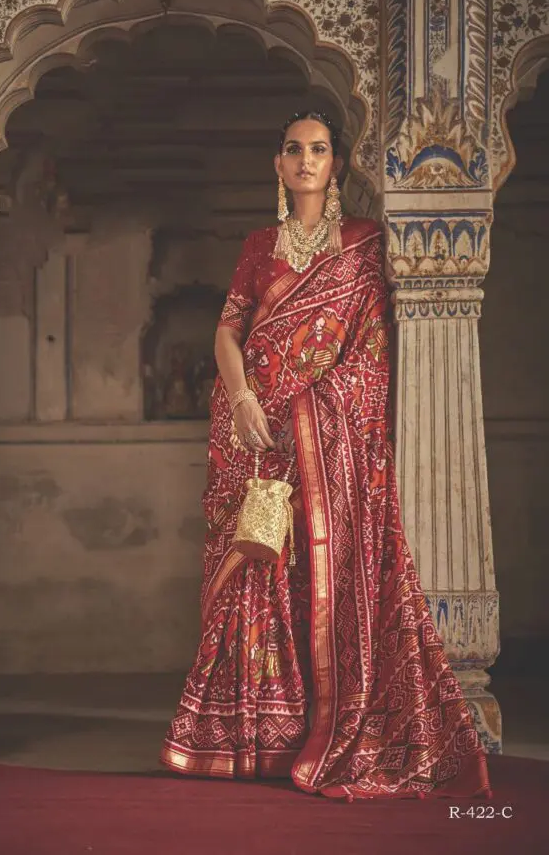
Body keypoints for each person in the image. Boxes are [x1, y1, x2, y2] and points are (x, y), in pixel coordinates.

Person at [160, 111, 491, 800]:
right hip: (256, 439)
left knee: (319, 573)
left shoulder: (364, 246)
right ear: (277, 165)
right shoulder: (258, 247)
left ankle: (318, 727)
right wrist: (246, 400)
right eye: (293, 150)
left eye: (318, 150)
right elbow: (228, 335)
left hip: (321, 438)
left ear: (335, 164)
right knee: (253, 575)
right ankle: (248, 737)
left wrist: (316, 411)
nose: (306, 161)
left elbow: (372, 352)